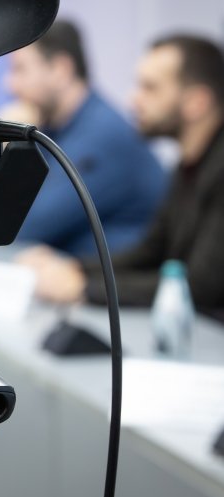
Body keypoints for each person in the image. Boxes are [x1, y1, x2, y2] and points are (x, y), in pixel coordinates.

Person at [20, 34, 224, 318]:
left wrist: (85, 288)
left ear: (197, 102)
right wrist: (78, 269)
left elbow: (201, 288)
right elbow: (152, 252)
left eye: (150, 88)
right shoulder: (188, 164)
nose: (134, 99)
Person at [5, 20, 168, 256]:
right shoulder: (56, 129)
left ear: (61, 70)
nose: (9, 85)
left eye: (20, 70)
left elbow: (21, 229)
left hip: (121, 287)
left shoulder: (102, 135)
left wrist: (7, 145)